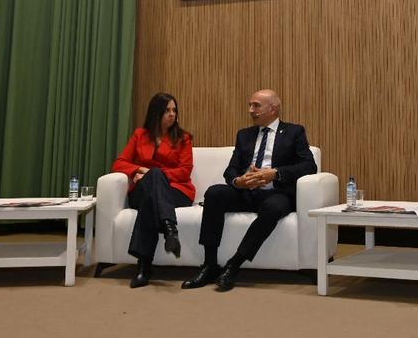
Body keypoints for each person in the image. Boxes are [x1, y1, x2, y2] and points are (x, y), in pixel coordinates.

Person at [182, 89, 317, 291]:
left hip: (275, 193)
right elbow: (231, 170)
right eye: (250, 105)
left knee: (274, 207)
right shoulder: (244, 135)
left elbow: (309, 166)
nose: (250, 110)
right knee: (214, 193)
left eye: (256, 105)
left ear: (273, 108)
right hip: (245, 192)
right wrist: (239, 180)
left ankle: (233, 265)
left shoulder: (294, 132)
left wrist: (275, 173)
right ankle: (209, 265)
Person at [111, 92, 195, 288]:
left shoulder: (183, 138)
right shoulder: (140, 135)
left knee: (155, 183)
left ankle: (144, 266)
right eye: (167, 110)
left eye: (175, 110)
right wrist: (141, 171)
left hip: (176, 191)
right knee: (153, 182)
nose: (172, 114)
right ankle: (169, 230)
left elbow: (184, 172)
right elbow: (119, 163)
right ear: (155, 112)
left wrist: (154, 175)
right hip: (143, 191)